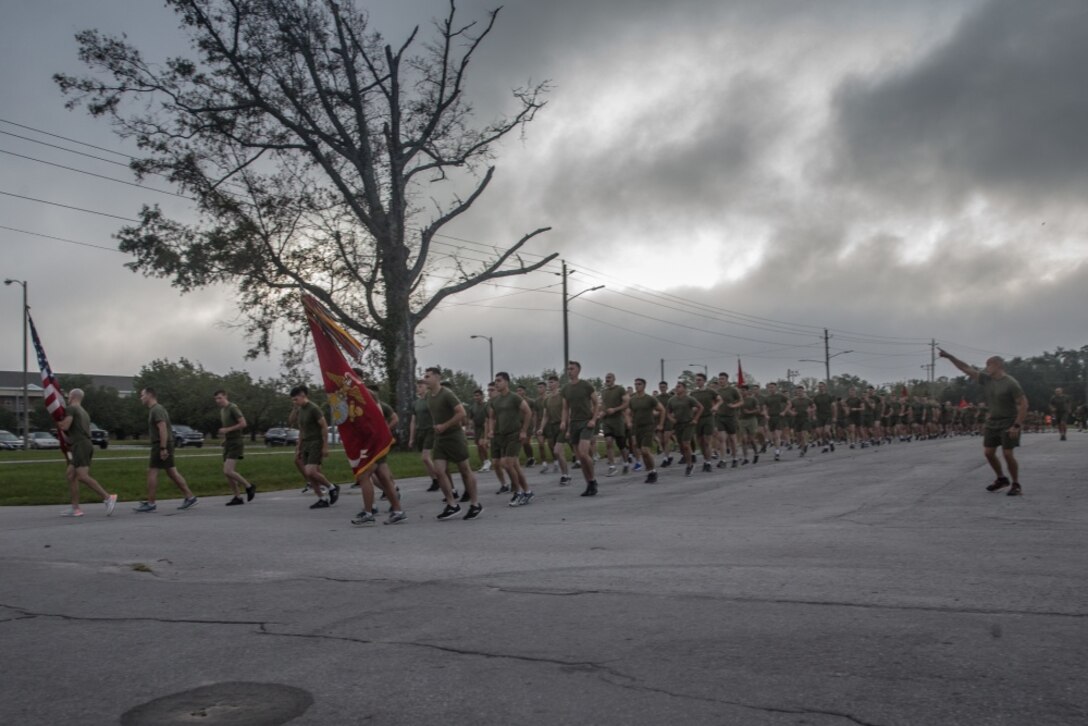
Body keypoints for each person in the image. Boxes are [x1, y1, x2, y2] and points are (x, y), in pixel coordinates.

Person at [938, 349, 1028, 496]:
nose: (986, 368)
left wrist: (1017, 425)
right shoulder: (987, 379)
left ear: (998, 365)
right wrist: (950, 357)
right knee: (988, 453)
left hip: (1008, 421)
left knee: (1007, 454)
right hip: (993, 421)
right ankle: (1001, 478)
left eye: (989, 365)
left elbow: (1023, 404)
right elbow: (965, 368)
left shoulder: (1011, 383)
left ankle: (1016, 484)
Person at [424, 367, 483, 520]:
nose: (425, 379)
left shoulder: (447, 394)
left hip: (454, 436)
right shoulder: (429, 396)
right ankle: (452, 504)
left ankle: (475, 504)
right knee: (439, 471)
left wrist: (445, 425)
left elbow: (461, 413)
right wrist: (436, 426)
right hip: (440, 438)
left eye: (428, 376)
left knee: (464, 470)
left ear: (437, 377)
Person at [134, 387, 198, 512]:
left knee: (152, 472)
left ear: (149, 395)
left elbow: (162, 428)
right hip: (163, 444)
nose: (141, 398)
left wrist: (163, 448)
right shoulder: (155, 409)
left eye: (142, 395)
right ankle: (190, 497)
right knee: (172, 472)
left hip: (161, 444)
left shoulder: (156, 409)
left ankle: (151, 503)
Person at [56, 388, 117, 517]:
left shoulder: (71, 409)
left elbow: (65, 427)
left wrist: (58, 423)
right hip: (83, 444)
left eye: (68, 396)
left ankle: (108, 497)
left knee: (82, 476)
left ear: (72, 397)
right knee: (70, 474)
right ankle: (75, 508)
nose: (67, 399)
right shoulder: (84, 412)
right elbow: (70, 435)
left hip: (81, 445)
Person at [351, 385, 406, 526]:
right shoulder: (359, 400)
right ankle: (398, 511)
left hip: (375, 442)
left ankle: (369, 513)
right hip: (373, 441)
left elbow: (393, 418)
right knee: (384, 477)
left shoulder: (370, 396)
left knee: (364, 476)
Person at [291, 385, 339, 510]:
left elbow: (324, 426)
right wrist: (298, 448)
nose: (294, 402)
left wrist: (325, 446)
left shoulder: (313, 408)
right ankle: (321, 498)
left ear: (303, 396)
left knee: (311, 471)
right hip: (305, 443)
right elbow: (301, 430)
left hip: (315, 442)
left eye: (296, 399)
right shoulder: (300, 410)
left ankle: (332, 487)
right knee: (310, 475)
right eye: (293, 400)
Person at [490, 372, 534, 506]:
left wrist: (524, 431)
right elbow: (492, 417)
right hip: (502, 436)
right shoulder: (496, 401)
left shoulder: (514, 397)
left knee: (507, 464)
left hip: (514, 435)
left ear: (506, 382)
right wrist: (492, 431)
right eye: (495, 381)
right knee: (515, 466)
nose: (496, 383)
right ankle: (527, 492)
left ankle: (518, 492)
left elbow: (528, 412)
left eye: (499, 381)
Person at [560, 360, 600, 496]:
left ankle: (593, 480)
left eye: (572, 369)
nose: (569, 371)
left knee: (584, 453)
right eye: (568, 369)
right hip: (574, 423)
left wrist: (594, 419)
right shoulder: (565, 389)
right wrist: (564, 422)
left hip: (586, 422)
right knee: (580, 457)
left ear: (578, 370)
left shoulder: (586, 385)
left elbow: (596, 403)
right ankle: (589, 483)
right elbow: (565, 408)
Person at [215, 389, 255, 506]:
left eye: (220, 398)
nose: (218, 401)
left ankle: (249, 486)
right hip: (229, 442)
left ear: (226, 397)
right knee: (227, 473)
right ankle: (237, 497)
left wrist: (227, 430)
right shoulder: (223, 410)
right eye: (216, 399)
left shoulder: (233, 407)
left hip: (236, 443)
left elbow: (243, 423)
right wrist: (225, 439)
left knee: (228, 470)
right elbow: (229, 426)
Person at [629, 378, 666, 483]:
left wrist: (661, 424)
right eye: (635, 384)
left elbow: (662, 409)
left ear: (644, 386)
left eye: (639, 384)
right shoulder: (633, 400)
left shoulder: (650, 399)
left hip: (648, 427)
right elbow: (630, 412)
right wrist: (629, 421)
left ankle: (653, 471)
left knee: (645, 450)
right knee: (642, 452)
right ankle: (650, 472)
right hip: (637, 428)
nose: (637, 386)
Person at [408, 380, 441, 492]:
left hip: (430, 430)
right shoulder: (415, 403)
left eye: (420, 386)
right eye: (417, 386)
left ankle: (439, 479)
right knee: (425, 460)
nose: (418, 388)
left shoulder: (430, 400)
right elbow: (413, 421)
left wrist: (437, 427)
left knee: (426, 457)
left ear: (426, 388)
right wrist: (411, 438)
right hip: (420, 431)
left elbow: (436, 414)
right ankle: (435, 480)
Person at [538, 375, 571, 485]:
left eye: (552, 382)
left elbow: (567, 411)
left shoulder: (563, 396)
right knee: (557, 452)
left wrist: (565, 424)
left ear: (557, 383)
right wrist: (541, 428)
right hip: (552, 427)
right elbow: (546, 416)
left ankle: (565, 475)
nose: (550, 384)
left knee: (557, 451)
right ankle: (565, 474)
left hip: (562, 426)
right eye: (549, 382)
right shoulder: (547, 400)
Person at [666, 380, 703, 477]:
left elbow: (700, 407)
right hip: (678, 425)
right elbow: (668, 412)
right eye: (676, 386)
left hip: (688, 424)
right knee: (682, 447)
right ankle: (688, 459)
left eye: (679, 386)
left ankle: (690, 465)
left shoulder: (689, 399)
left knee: (686, 444)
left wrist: (695, 419)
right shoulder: (671, 400)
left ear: (684, 389)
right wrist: (671, 419)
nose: (677, 388)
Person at [599, 372, 630, 477]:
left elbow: (626, 403)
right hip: (607, 421)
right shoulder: (603, 391)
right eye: (606, 377)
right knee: (608, 442)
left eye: (609, 377)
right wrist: (601, 412)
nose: (607, 379)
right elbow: (603, 404)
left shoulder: (620, 389)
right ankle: (612, 467)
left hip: (618, 420)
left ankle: (626, 462)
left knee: (621, 445)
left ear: (614, 379)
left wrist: (615, 409)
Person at [690, 373, 721, 472]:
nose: (697, 381)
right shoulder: (693, 393)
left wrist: (716, 406)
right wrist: (692, 409)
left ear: (704, 381)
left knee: (707, 441)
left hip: (708, 417)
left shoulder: (710, 391)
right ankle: (705, 459)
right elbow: (690, 405)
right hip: (697, 418)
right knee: (700, 442)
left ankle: (708, 462)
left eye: (699, 380)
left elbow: (720, 400)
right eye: (696, 380)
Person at [715, 372, 742, 468]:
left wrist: (733, 405)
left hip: (731, 417)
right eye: (719, 379)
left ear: (727, 380)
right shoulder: (717, 391)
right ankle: (723, 460)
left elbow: (741, 401)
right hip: (720, 417)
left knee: (732, 439)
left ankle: (735, 458)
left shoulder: (733, 390)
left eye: (722, 379)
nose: (720, 380)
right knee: (722, 439)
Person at [468, 389, 491, 472]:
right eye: (475, 396)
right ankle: (485, 463)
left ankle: (488, 461)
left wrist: (488, 432)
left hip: (485, 427)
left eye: (478, 395)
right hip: (477, 428)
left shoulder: (486, 405)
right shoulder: (472, 407)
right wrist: (470, 427)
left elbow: (489, 418)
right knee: (478, 446)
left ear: (482, 396)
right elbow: (471, 419)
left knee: (482, 444)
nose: (476, 397)